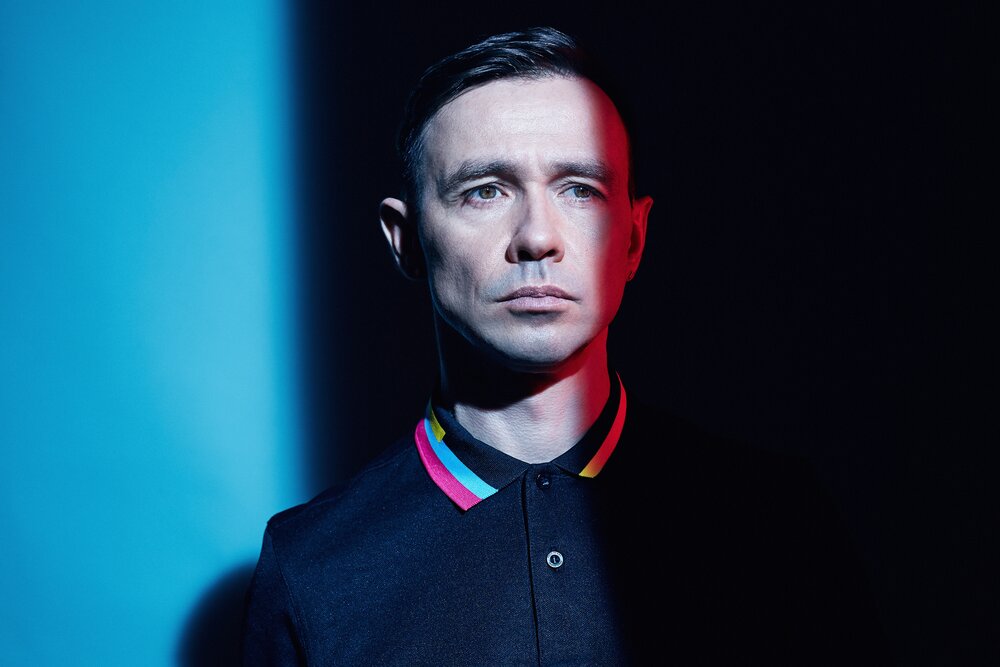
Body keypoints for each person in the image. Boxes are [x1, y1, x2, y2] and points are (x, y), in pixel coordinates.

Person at [241, 27, 891, 665]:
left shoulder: (776, 519)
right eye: (485, 190)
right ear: (405, 239)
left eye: (580, 189)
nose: (537, 237)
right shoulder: (312, 567)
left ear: (634, 237)